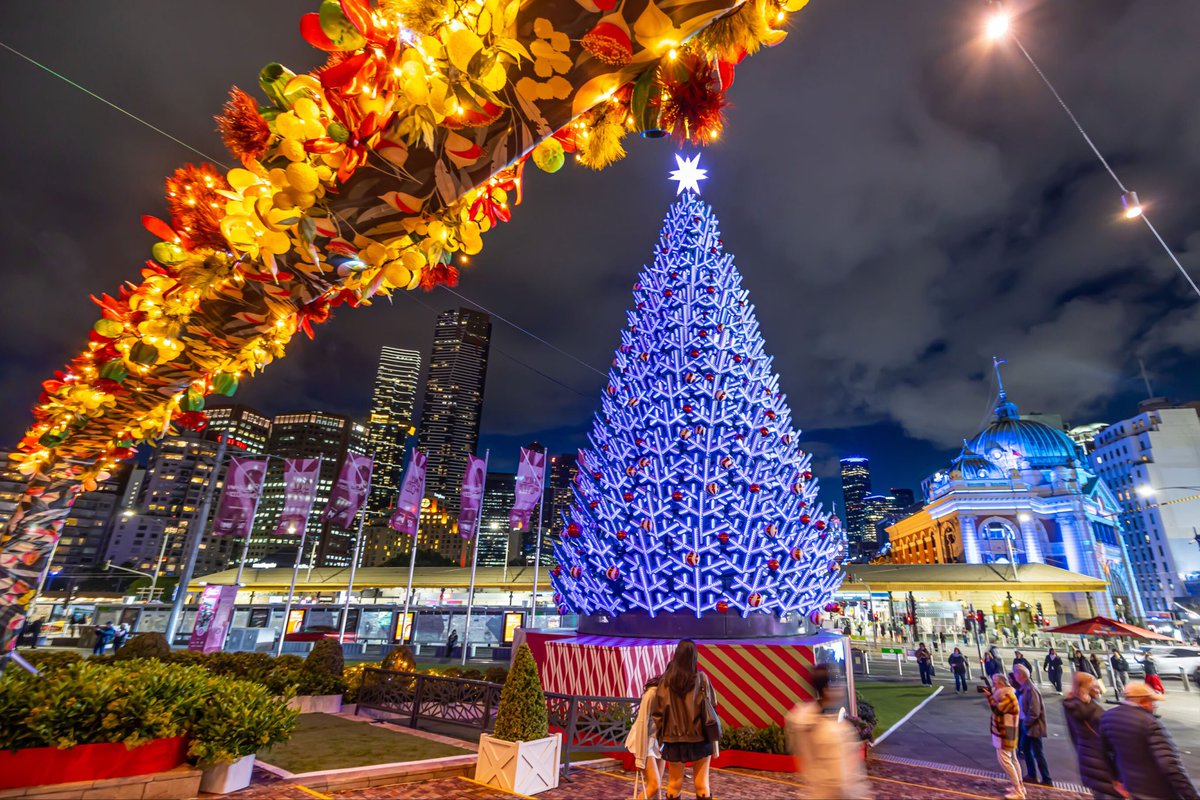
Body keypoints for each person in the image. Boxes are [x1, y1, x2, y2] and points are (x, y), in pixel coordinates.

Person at [1099, 681, 1199, 800]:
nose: (1155, 705)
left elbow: (1105, 752)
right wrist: (1191, 796)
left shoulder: (1108, 716)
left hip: (1131, 786)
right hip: (1158, 791)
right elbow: (1170, 764)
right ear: (1144, 702)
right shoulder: (1149, 723)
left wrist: (1116, 779)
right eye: (1152, 701)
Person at [786, 664, 871, 800]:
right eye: (837, 682)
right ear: (827, 690)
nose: (842, 686)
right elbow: (842, 782)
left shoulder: (803, 719)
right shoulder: (831, 732)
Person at [651, 640, 716, 800]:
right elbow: (712, 704)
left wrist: (662, 736)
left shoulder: (665, 681)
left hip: (673, 740)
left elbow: (658, 711)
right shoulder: (702, 679)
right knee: (702, 783)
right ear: (694, 657)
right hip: (700, 737)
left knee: (674, 783)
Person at [1062, 671, 1121, 800]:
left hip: (1087, 759)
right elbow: (1108, 741)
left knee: (1100, 794)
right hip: (1103, 762)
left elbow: (1074, 736)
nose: (1099, 689)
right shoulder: (1094, 711)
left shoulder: (1071, 705)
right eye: (1095, 686)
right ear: (1087, 688)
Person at [984, 673, 1025, 800]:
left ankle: (1018, 791)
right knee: (1013, 760)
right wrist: (991, 696)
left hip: (1005, 733)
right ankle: (1020, 786)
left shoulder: (1007, 696)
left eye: (995, 682)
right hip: (1007, 731)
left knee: (1005, 761)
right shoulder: (1005, 694)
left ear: (1001, 683)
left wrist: (990, 697)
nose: (993, 684)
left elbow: (997, 710)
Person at [1013, 664, 1052, 786]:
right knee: (1026, 748)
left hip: (1033, 727)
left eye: (1015, 673)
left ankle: (1046, 778)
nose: (1014, 676)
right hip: (1028, 725)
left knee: (1037, 752)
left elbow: (1034, 711)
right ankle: (1032, 774)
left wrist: (1026, 722)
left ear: (1021, 675)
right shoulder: (1024, 688)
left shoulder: (1031, 689)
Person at [625, 677, 662, 799]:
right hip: (643, 740)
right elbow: (642, 723)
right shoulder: (653, 692)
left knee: (657, 787)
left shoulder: (675, 695)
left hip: (657, 742)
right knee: (654, 785)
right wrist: (640, 758)